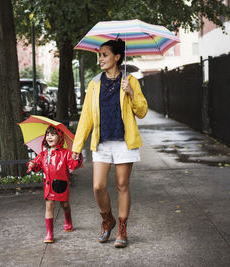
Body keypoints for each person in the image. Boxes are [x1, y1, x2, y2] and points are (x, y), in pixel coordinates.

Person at [72, 39, 148, 248]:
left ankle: (122, 228)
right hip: (102, 142)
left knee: (122, 185)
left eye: (105, 55)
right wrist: (77, 147)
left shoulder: (130, 80)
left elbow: (142, 112)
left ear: (117, 57)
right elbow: (86, 117)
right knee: (98, 187)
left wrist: (131, 93)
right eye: (100, 55)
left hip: (124, 141)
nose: (100, 59)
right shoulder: (94, 83)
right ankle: (108, 219)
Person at [27, 125, 83, 243]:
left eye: (53, 134)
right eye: (47, 134)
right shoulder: (43, 154)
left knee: (65, 205)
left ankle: (68, 221)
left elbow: (72, 165)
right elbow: (37, 164)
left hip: (61, 184)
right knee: (49, 206)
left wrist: (76, 158)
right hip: (48, 184)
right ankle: (49, 233)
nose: (49, 137)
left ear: (60, 137)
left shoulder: (66, 153)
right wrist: (32, 165)